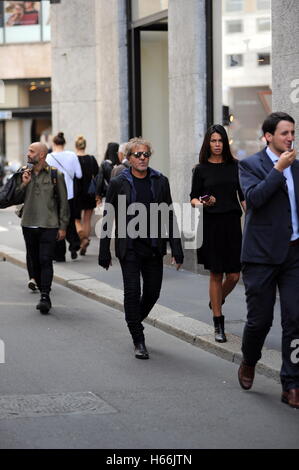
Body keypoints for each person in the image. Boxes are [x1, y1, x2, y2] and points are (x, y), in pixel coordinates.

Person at [98, 137, 184, 359]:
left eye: (146, 154)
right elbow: (108, 217)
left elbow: (169, 215)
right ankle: (138, 338)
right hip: (130, 248)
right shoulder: (119, 183)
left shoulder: (160, 181)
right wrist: (104, 250)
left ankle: (133, 320)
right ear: (129, 158)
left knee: (152, 293)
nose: (143, 158)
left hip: (154, 247)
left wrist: (177, 249)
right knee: (132, 292)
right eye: (138, 155)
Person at [237, 112, 299, 409]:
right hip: (261, 256)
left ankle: (292, 384)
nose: (290, 138)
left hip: (293, 254)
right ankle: (249, 360)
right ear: (269, 136)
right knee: (260, 320)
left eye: (292, 133)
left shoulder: (297, 168)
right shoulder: (250, 165)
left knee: (296, 319)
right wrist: (278, 169)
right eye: (284, 133)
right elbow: (255, 200)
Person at [190, 124, 246, 343]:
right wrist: (204, 201)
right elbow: (193, 198)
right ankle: (218, 322)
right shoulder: (201, 169)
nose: (216, 144)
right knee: (216, 273)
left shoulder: (236, 167)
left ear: (225, 143)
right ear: (208, 143)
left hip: (232, 224)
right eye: (213, 141)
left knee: (234, 275)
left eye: (220, 141)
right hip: (211, 224)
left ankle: (216, 300)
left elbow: (243, 196)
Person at [13, 142, 69, 314]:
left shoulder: (55, 174)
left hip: (49, 224)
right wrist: (23, 183)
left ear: (42, 155)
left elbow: (63, 202)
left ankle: (45, 295)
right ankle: (37, 281)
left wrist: (63, 226)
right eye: (28, 150)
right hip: (28, 223)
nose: (28, 153)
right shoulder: (23, 173)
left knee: (46, 259)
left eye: (31, 151)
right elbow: (14, 197)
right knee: (34, 260)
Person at [46, 132, 82, 261]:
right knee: (71, 221)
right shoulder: (72, 155)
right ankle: (74, 246)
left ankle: (60, 254)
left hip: (55, 195)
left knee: (57, 223)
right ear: (64, 143)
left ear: (54, 143)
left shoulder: (49, 157)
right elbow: (79, 174)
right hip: (70, 194)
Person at [74, 135, 99, 255]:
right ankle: (85, 241)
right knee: (87, 219)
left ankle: (83, 239)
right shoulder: (91, 159)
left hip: (76, 192)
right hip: (89, 192)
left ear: (76, 146)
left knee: (76, 219)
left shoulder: (73, 159)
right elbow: (97, 175)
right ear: (85, 145)